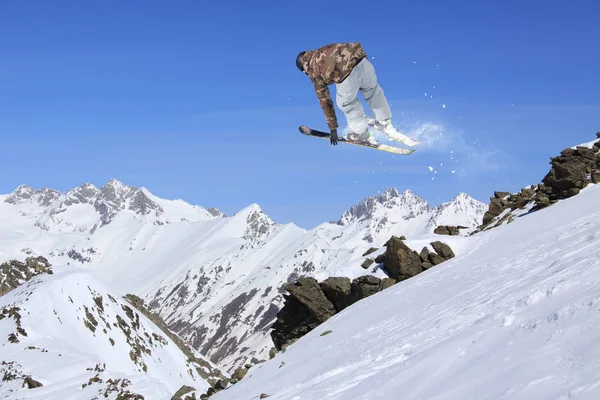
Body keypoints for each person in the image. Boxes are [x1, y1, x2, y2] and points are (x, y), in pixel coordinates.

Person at [296, 42, 396, 146]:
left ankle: (362, 135)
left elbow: (324, 100)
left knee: (345, 103)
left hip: (346, 72)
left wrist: (333, 128)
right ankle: (383, 121)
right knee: (372, 91)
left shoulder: (312, 69)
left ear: (304, 67)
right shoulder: (322, 50)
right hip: (361, 60)